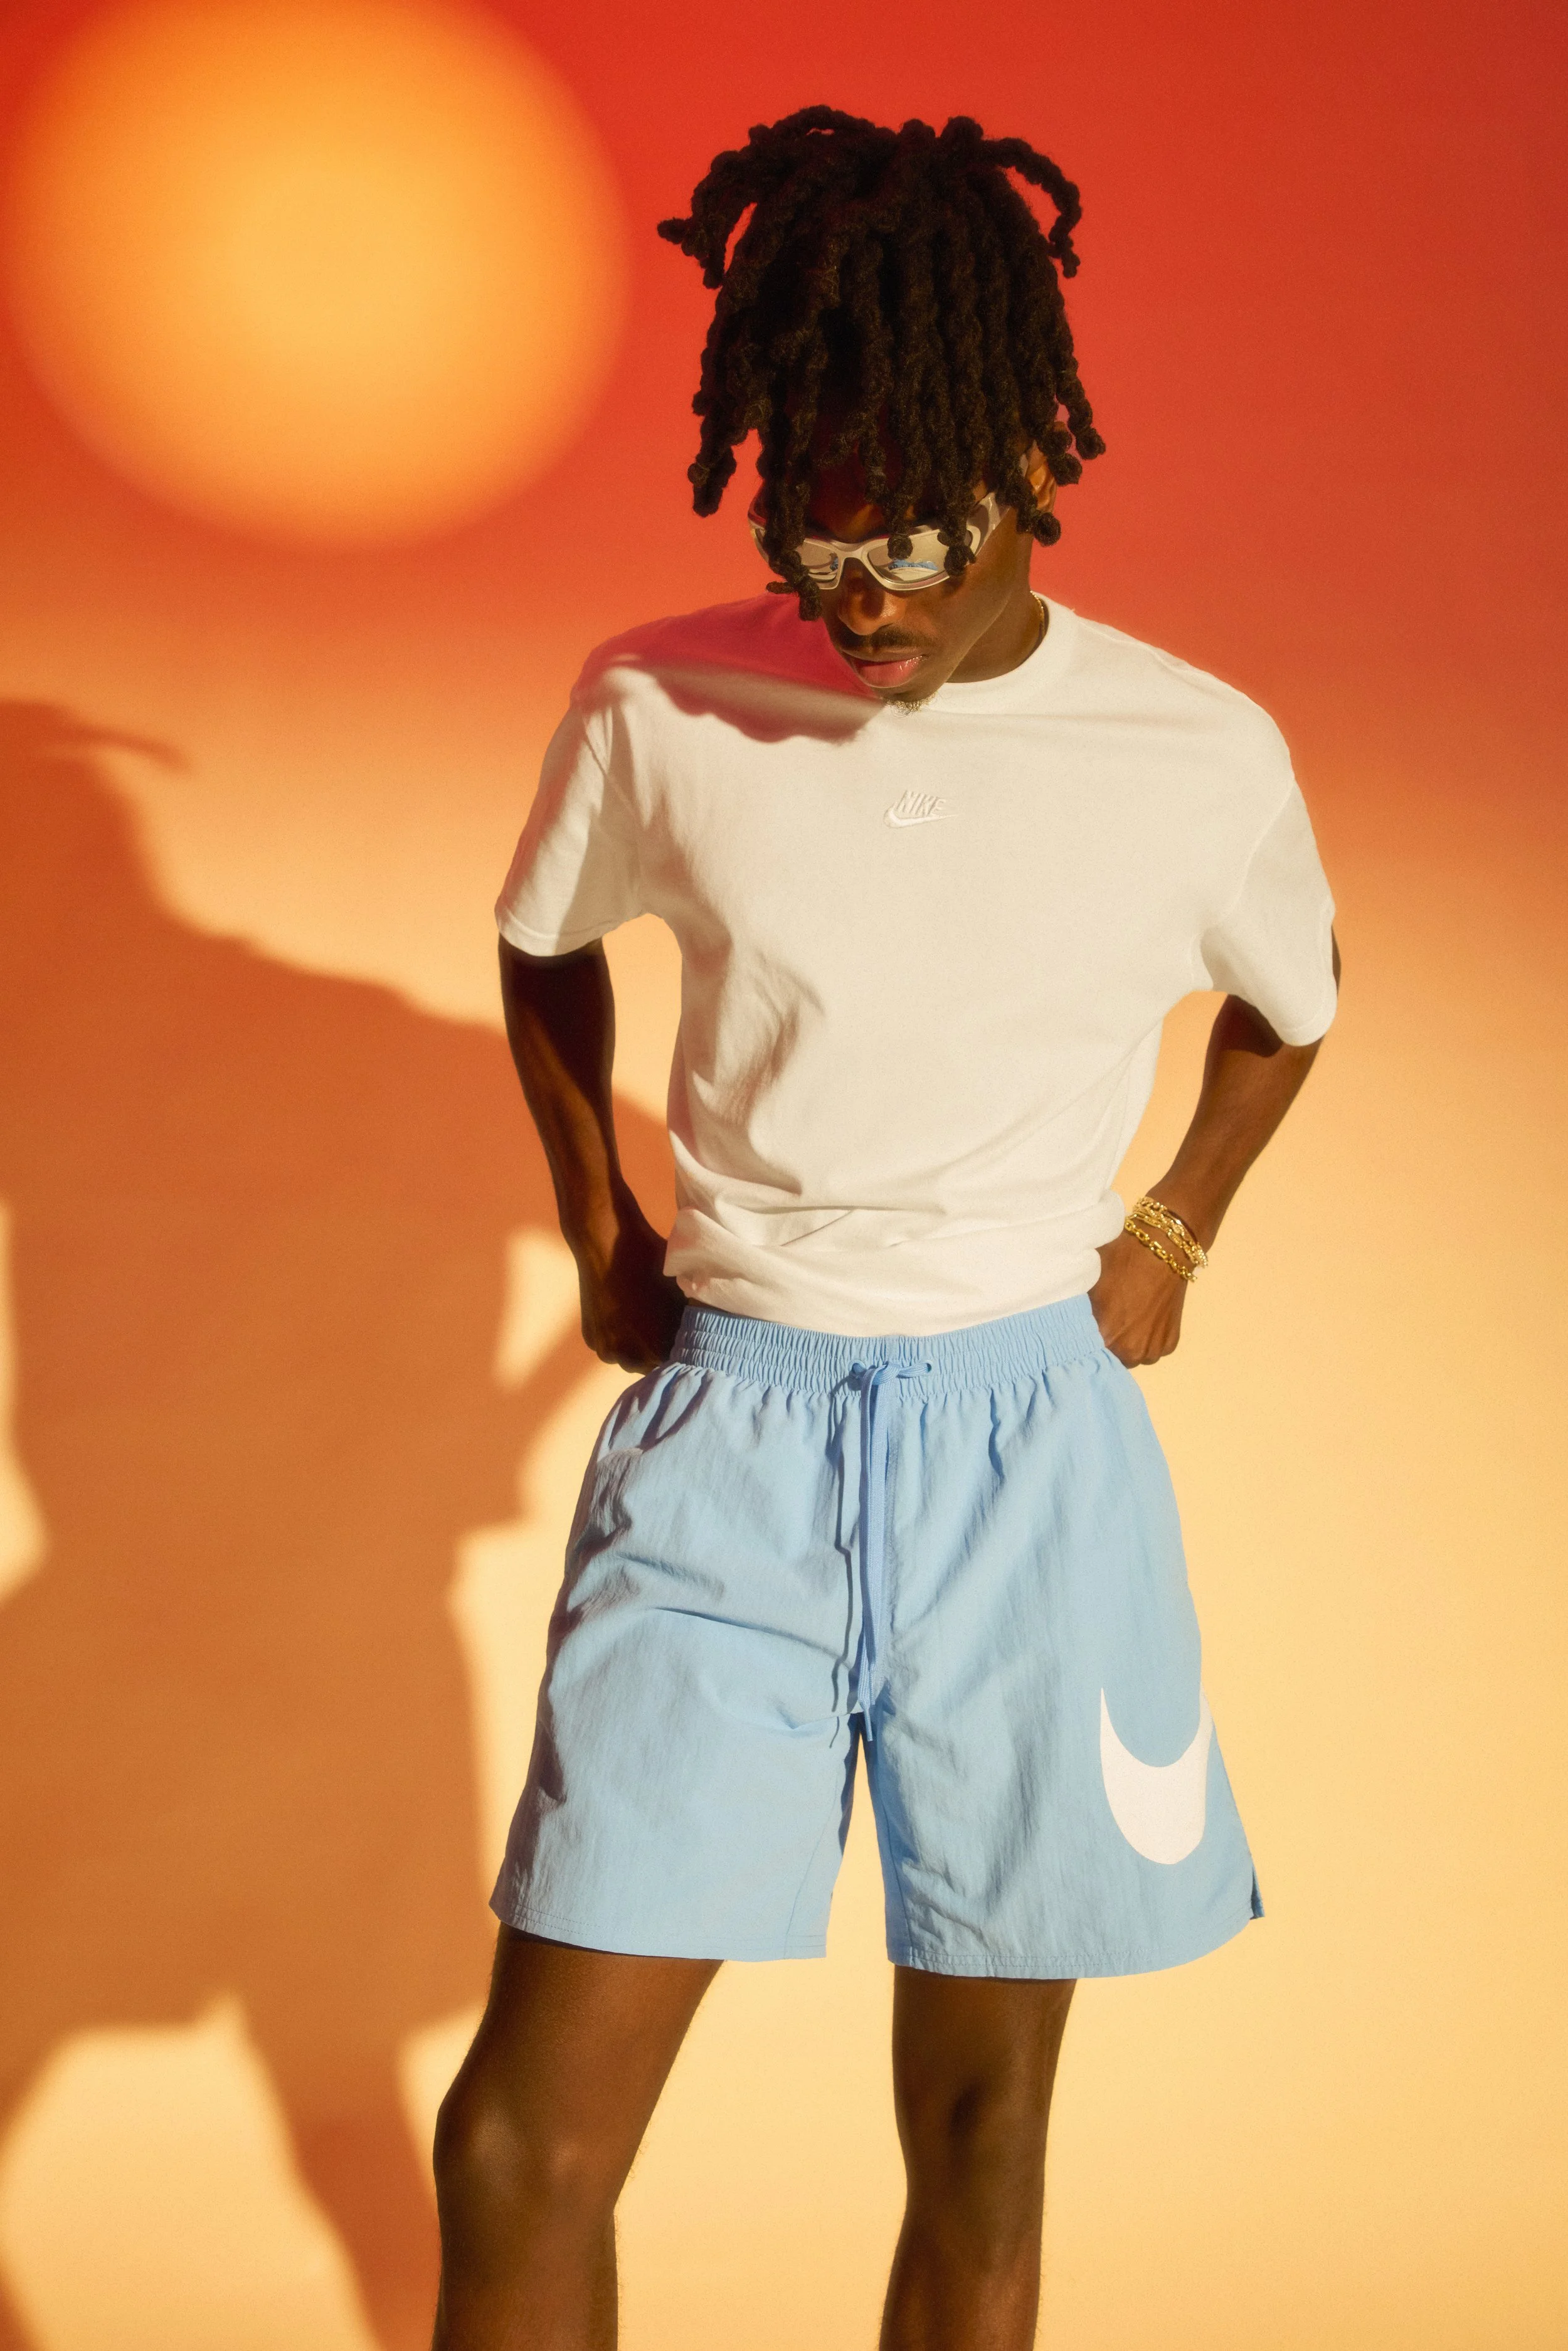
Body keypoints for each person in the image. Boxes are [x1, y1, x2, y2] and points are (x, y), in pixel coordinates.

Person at [430, 107, 1339, 2351]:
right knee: (520, 2140)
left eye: (910, 550)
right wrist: (597, 1226)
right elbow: (545, 945)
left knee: (981, 2138)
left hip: (1028, 1457)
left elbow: (1290, 1005)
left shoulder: (1192, 747)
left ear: (1029, 457)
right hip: (727, 1440)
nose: (859, 604)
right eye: (815, 552)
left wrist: (1174, 1234)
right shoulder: (659, 697)